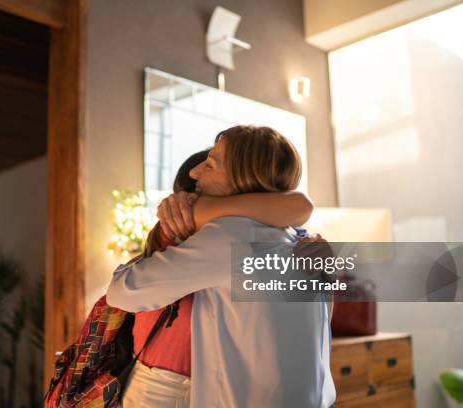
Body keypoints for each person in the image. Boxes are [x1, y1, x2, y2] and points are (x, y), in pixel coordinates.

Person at [108, 125, 335, 407]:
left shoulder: (232, 236)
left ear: (243, 178)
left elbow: (122, 292)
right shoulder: (298, 239)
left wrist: (193, 212)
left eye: (210, 165)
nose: (195, 173)